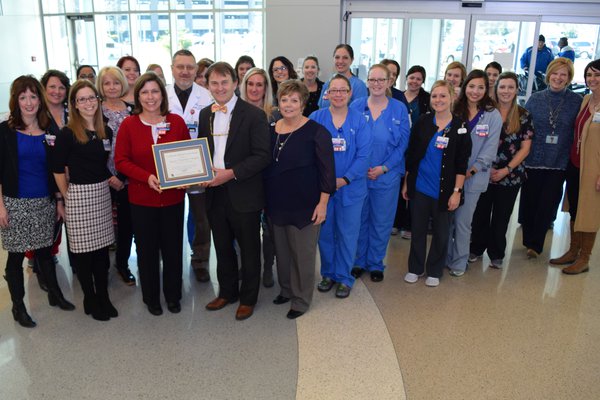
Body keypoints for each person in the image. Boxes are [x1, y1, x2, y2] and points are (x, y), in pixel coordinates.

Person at [0, 75, 75, 328]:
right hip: (15, 203)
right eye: (23, 97)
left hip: (44, 201)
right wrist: (0, 206)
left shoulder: (49, 130)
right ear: (16, 100)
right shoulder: (5, 132)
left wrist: (58, 201)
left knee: (45, 252)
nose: (29, 102)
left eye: (33, 96)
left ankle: (55, 295)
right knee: (16, 257)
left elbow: (55, 170)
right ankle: (18, 307)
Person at [198, 62, 271, 321]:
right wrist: (199, 172)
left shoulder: (253, 115)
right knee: (222, 247)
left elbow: (263, 156)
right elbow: (203, 152)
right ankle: (227, 292)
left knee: (250, 249)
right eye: (214, 83)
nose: (219, 88)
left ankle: (248, 298)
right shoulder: (205, 114)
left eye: (224, 82)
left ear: (234, 84)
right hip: (215, 194)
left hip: (244, 193)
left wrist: (230, 173)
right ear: (208, 86)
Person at [115, 72, 190, 316]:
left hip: (173, 199)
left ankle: (173, 295)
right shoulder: (129, 124)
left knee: (172, 249)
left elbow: (187, 155)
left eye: (155, 91)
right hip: (141, 200)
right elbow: (121, 161)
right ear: (137, 96)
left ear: (162, 94)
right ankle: (151, 297)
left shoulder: (176, 122)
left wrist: (187, 178)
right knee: (146, 252)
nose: (150, 97)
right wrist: (146, 177)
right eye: (145, 92)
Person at [265, 80, 335, 317]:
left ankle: (301, 300)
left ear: (303, 104)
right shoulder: (271, 129)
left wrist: (323, 204)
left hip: (306, 205)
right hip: (277, 204)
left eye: (294, 100)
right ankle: (286, 290)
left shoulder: (317, 132)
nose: (288, 104)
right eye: (284, 100)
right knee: (283, 254)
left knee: (302, 256)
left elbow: (328, 172)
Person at [53, 79, 117, 321]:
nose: (88, 103)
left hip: (101, 194)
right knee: (82, 253)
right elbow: (57, 168)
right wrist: (66, 196)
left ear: (98, 101)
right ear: (74, 105)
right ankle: (89, 296)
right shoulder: (68, 134)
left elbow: (103, 165)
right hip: (78, 195)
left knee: (101, 252)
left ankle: (103, 295)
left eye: (92, 98)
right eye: (82, 99)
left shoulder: (105, 130)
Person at [402, 80, 471, 287]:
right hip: (420, 187)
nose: (438, 100)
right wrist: (407, 183)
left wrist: (457, 192)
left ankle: (434, 270)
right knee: (418, 230)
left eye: (443, 96)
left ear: (452, 98)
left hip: (446, 191)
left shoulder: (460, 128)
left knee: (442, 233)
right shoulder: (422, 122)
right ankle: (415, 268)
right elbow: (412, 156)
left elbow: (461, 164)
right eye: (434, 96)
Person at [310, 74, 370, 298]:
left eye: (342, 90)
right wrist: (324, 181)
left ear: (350, 93)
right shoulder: (316, 118)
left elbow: (364, 156)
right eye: (333, 90)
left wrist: (345, 179)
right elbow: (308, 152)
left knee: (347, 233)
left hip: (351, 189)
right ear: (327, 93)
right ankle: (328, 274)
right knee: (325, 233)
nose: (338, 94)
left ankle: (344, 277)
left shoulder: (360, 121)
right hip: (322, 190)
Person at [350, 64, 410, 282]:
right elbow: (350, 140)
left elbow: (402, 144)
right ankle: (358, 260)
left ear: (389, 82)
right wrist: (359, 168)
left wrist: (383, 168)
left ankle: (375, 262)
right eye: (372, 80)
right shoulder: (356, 106)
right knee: (360, 219)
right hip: (360, 175)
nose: (376, 84)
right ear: (367, 82)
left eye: (381, 80)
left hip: (387, 175)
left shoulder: (398, 109)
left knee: (381, 221)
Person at [519, 58, 582, 258]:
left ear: (569, 78)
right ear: (548, 75)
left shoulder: (577, 101)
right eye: (555, 73)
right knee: (530, 202)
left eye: (563, 74)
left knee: (547, 204)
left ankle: (536, 245)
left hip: (559, 162)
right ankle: (528, 238)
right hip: (533, 160)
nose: (558, 78)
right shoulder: (535, 99)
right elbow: (524, 128)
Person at [470, 72, 534, 269]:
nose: (506, 91)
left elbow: (525, 148)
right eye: (502, 87)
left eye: (510, 87)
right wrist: (483, 167)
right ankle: (476, 249)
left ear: (516, 90)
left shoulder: (523, 115)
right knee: (480, 215)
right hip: (483, 172)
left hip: (510, 176)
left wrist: (506, 169)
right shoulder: (486, 112)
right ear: (495, 89)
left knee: (501, 217)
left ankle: (496, 254)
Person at [447, 70, 502, 277]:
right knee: (447, 220)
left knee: (462, 221)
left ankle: (459, 263)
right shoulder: (455, 109)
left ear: (487, 89)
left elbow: (490, 149)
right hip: (450, 175)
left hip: (474, 177)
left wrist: (471, 170)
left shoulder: (492, 115)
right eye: (471, 86)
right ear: (465, 86)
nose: (475, 91)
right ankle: (446, 257)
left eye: (481, 87)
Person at [549, 59, 600, 274]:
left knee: (589, 212)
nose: (592, 79)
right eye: (589, 75)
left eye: (597, 75)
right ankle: (573, 250)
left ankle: (584, 258)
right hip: (576, 164)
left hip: (594, 170)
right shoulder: (586, 99)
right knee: (576, 210)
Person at [166, 49, 212, 282]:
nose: (185, 71)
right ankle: (170, 257)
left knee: (199, 216)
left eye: (190, 67)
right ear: (172, 68)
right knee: (169, 216)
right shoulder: (160, 95)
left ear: (196, 70)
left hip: (198, 166)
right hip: (167, 168)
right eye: (180, 66)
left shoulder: (207, 96)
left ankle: (200, 259)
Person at [239, 66, 281, 288]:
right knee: (245, 229)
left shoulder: (276, 113)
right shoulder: (234, 111)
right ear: (244, 86)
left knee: (270, 228)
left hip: (270, 179)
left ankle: (267, 268)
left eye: (259, 84)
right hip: (244, 179)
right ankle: (246, 266)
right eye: (250, 84)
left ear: (266, 88)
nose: (254, 89)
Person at [96, 66, 136, 285]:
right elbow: (89, 150)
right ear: (100, 87)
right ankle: (100, 267)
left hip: (127, 176)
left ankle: (122, 264)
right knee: (102, 224)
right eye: (106, 83)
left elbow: (136, 146)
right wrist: (109, 175)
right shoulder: (94, 111)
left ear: (123, 84)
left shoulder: (132, 110)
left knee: (126, 224)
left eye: (116, 82)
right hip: (102, 176)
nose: (111, 87)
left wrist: (121, 176)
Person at [392, 65, 431, 239]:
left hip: (417, 147)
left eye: (418, 78)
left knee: (412, 184)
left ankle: (408, 224)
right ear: (406, 78)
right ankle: (396, 221)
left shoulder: (427, 99)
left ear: (422, 81)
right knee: (398, 184)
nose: (414, 81)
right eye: (411, 77)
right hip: (399, 145)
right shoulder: (397, 97)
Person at [319, 44, 368, 109]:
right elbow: (320, 110)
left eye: (345, 58)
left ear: (352, 60)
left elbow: (359, 113)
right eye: (337, 57)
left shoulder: (358, 86)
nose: (340, 61)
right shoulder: (327, 84)